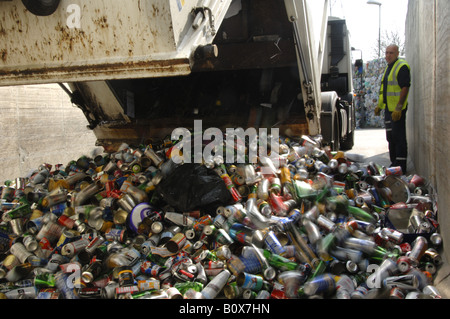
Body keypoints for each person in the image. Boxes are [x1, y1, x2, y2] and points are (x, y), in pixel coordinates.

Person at [374, 44, 411, 174]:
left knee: (398, 137)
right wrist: (380, 105)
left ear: (397, 53)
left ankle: (401, 167)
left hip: (397, 110)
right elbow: (385, 90)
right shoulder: (389, 68)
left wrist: (399, 107)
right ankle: (394, 164)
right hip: (389, 110)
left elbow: (405, 87)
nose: (388, 55)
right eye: (386, 53)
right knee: (391, 138)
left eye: (391, 53)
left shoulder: (401, 66)